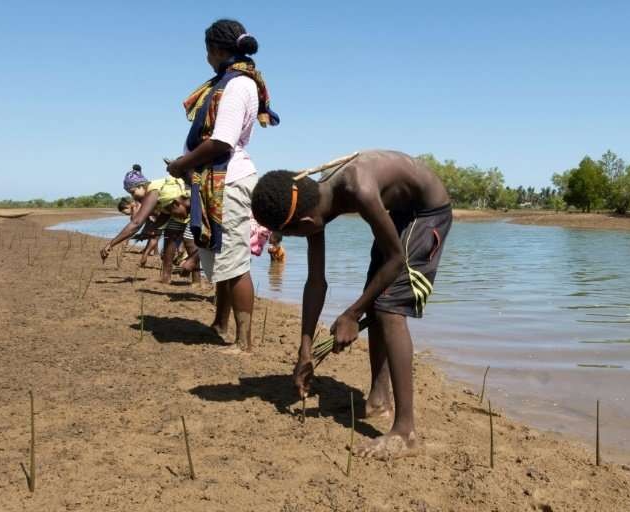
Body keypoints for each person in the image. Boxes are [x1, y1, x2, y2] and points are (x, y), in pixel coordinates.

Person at [251, 150, 452, 460]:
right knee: (377, 299)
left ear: (305, 221)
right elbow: (315, 281)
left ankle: (406, 432)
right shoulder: (310, 202)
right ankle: (378, 400)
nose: (296, 238)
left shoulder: (359, 189)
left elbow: (397, 260)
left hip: (426, 211)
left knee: (387, 306)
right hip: (398, 211)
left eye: (291, 234)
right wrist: (305, 349)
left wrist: (352, 313)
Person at [165, 18, 279, 352]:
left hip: (228, 180)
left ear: (216, 50)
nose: (206, 58)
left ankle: (243, 342)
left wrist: (180, 164)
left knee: (235, 264)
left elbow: (222, 142)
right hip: (219, 180)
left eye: (206, 51)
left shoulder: (237, 85)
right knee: (222, 258)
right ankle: (220, 323)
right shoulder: (231, 82)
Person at [100, 166, 200, 283]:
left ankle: (197, 282)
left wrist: (111, 244)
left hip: (193, 210)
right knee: (169, 239)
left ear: (141, 186)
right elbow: (164, 213)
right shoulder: (155, 192)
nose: (133, 197)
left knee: (190, 241)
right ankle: (165, 278)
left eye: (133, 192)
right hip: (175, 214)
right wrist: (150, 231)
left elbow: (136, 223)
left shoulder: (153, 191)